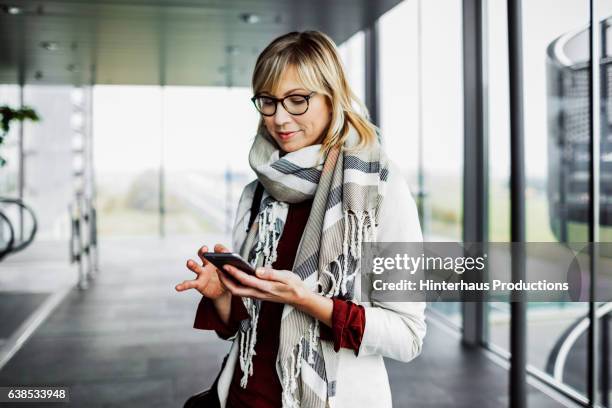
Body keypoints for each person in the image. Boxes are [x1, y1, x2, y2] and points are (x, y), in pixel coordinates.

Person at [175, 30, 426, 408]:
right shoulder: (258, 191)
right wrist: (224, 297)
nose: (279, 118)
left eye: (297, 100)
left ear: (331, 97)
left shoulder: (377, 189)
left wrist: (308, 301)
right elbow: (242, 329)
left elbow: (407, 336)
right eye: (268, 101)